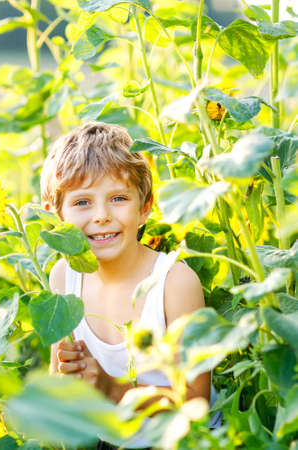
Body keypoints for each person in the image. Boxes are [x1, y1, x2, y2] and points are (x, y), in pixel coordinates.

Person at [40, 122, 211, 449]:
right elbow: (57, 376)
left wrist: (113, 390)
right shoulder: (64, 277)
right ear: (56, 216)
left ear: (144, 207)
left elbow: (195, 404)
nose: (101, 215)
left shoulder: (174, 283)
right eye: (82, 203)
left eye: (118, 198)